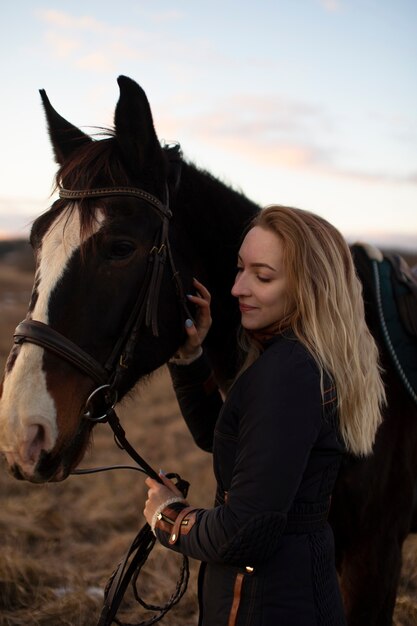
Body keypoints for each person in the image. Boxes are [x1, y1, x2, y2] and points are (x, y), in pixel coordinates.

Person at [144, 205, 385, 626]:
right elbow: (231, 444)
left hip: (265, 603)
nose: (237, 288)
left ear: (310, 286)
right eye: (240, 270)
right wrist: (190, 358)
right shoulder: (305, 357)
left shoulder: (288, 373)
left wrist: (169, 518)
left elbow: (243, 532)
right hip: (292, 591)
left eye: (263, 276)